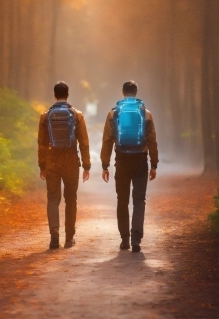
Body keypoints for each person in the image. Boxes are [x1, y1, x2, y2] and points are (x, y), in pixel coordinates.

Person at [101, 80, 158, 252]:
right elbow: (152, 141)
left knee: (122, 200)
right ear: (136, 92)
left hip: (122, 161)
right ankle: (136, 239)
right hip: (141, 161)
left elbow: (107, 140)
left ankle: (124, 239)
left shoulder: (113, 113)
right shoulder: (146, 113)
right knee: (139, 200)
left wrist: (105, 165)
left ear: (123, 92)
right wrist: (154, 164)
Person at [38, 80, 91, 249]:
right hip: (70, 160)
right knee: (71, 199)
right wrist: (86, 165)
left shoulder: (45, 116)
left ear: (54, 95)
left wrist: (42, 165)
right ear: (67, 95)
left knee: (53, 198)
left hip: (52, 159)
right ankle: (69, 238)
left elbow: (42, 143)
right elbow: (84, 142)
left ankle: (54, 233)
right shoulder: (77, 115)